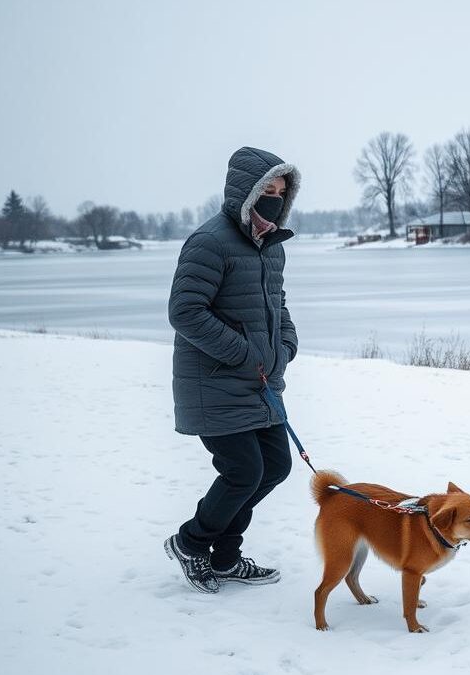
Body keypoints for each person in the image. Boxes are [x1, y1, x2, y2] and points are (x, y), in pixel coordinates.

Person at [163, 146, 300, 593]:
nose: (274, 201)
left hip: (260, 385)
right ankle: (190, 542)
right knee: (244, 471)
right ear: (245, 192)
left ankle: (225, 558)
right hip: (215, 384)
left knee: (275, 466)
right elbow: (185, 311)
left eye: (281, 193)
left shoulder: (271, 246)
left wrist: (286, 344)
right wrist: (244, 353)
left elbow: (277, 306)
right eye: (267, 191)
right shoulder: (210, 241)